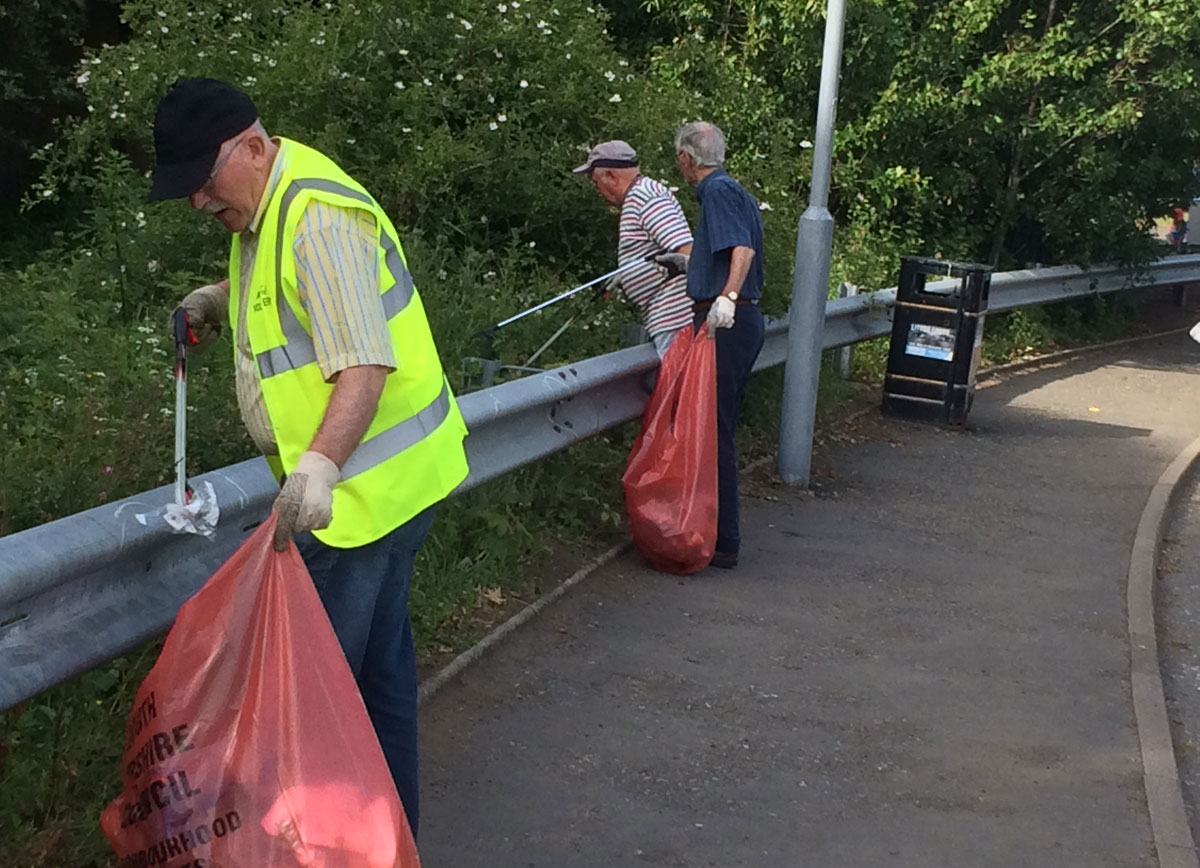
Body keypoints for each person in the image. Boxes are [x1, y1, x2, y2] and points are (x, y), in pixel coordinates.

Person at [150, 77, 469, 837]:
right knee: (378, 679)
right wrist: (212, 300)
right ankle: (390, 843)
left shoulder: (316, 218)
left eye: (204, 180)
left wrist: (320, 465)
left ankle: (334, 845)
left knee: (319, 703)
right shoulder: (269, 206)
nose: (198, 202)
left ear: (254, 147)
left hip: (357, 503)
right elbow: (280, 294)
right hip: (387, 491)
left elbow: (362, 364)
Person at [666, 121, 765, 570]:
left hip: (727, 318)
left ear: (688, 159)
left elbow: (741, 249)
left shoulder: (716, 192)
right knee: (718, 425)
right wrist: (690, 263)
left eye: (678, 159)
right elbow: (728, 247)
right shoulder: (734, 190)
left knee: (715, 429)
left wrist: (724, 298)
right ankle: (720, 533)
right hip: (739, 317)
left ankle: (724, 540)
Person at [572, 140, 694, 357]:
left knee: (679, 386)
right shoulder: (640, 196)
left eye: (596, 182)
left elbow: (686, 250)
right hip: (669, 317)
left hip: (677, 318)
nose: (597, 190)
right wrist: (628, 273)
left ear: (611, 175)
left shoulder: (645, 197)